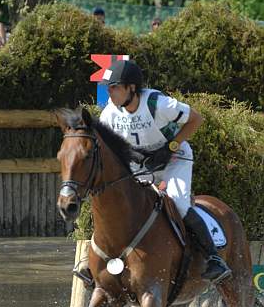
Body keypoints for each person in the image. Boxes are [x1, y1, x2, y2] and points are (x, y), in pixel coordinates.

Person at [99, 59, 231, 283]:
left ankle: (214, 259)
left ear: (131, 88)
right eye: (108, 88)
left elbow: (196, 119)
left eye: (114, 87)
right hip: (141, 164)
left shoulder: (158, 103)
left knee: (178, 203)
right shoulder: (110, 113)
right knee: (116, 201)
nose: (110, 93)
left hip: (174, 159)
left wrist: (170, 147)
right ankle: (97, 260)